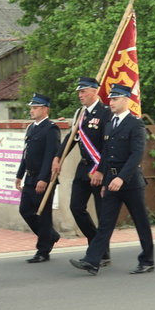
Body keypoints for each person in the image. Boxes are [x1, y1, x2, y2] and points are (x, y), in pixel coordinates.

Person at [69, 84, 154, 275]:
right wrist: (105, 177)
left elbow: (136, 155)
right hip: (111, 180)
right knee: (106, 223)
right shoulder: (110, 124)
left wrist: (122, 178)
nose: (111, 102)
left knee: (141, 221)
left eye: (115, 99)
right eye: (111, 99)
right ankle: (92, 260)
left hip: (130, 183)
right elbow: (106, 154)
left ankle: (147, 260)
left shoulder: (135, 123)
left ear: (126, 100)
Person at [51, 77, 112, 266]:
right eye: (79, 91)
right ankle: (96, 244)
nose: (80, 95)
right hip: (83, 167)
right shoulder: (80, 113)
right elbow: (72, 138)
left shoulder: (106, 113)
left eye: (83, 91)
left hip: (100, 169)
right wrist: (58, 157)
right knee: (76, 207)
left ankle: (103, 253)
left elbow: (109, 145)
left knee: (103, 214)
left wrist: (100, 170)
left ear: (95, 91)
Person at [15, 93, 61, 263]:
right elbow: (25, 154)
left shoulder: (51, 128)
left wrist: (44, 179)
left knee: (43, 215)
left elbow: (50, 156)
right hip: (30, 177)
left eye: (35, 108)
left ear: (45, 109)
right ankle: (50, 235)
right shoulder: (31, 128)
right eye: (31, 108)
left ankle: (43, 251)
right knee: (25, 210)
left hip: (44, 179)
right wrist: (20, 175)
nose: (32, 111)